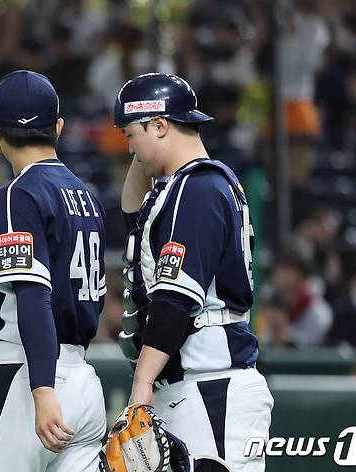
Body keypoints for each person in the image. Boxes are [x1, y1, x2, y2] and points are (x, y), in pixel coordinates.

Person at [114, 73, 273, 472]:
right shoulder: (188, 186)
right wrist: (143, 126)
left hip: (212, 388)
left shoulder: (197, 189)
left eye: (132, 134)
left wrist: (141, 386)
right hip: (196, 386)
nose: (130, 147)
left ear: (161, 126)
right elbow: (133, 212)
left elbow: (175, 300)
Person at [0, 70, 107, 471]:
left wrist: (41, 390)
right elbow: (54, 280)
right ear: (58, 127)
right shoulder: (87, 195)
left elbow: (33, 295)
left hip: (29, 379)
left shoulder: (16, 195)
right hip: (83, 383)